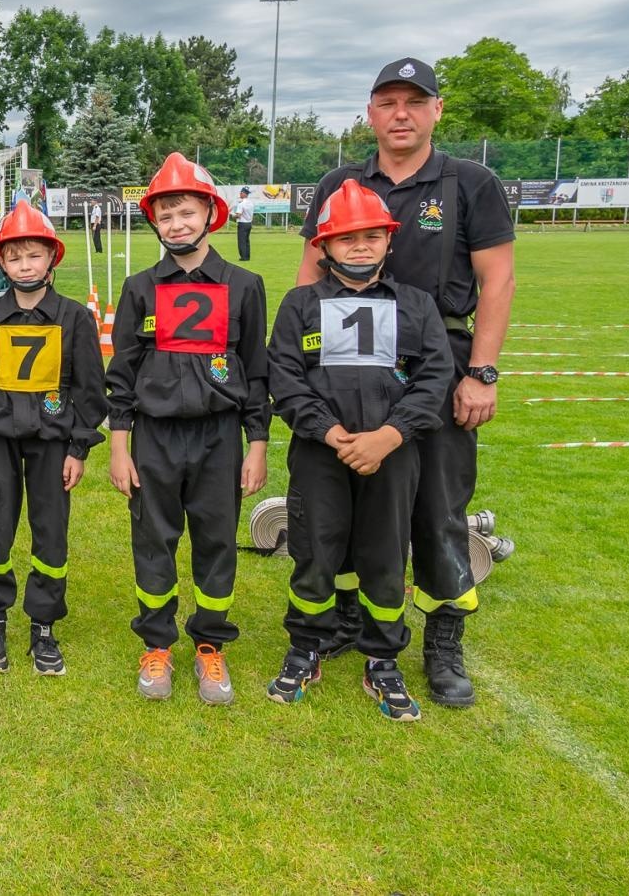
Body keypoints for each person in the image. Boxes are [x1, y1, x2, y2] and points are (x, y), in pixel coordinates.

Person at [295, 57, 515, 708]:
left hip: (439, 361)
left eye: (414, 102)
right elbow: (310, 277)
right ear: (369, 113)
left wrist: (480, 371)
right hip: (346, 356)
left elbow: (497, 281)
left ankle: (444, 641)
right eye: (387, 102)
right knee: (347, 496)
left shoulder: (471, 183)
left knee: (437, 507)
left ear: (436, 112)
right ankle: (345, 622)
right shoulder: (339, 181)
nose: (400, 113)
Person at [267, 181, 454, 721]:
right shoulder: (300, 304)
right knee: (315, 551)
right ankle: (307, 645)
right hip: (319, 453)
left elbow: (434, 377)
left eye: (372, 235)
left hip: (392, 455)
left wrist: (389, 436)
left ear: (389, 241)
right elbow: (284, 375)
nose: (361, 246)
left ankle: (382, 657)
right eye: (347, 238)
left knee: (385, 555)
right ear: (323, 245)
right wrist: (328, 431)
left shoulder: (414, 305)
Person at [105, 152, 270, 705]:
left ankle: (209, 646)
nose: (177, 223)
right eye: (166, 215)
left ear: (211, 213)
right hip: (153, 438)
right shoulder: (138, 288)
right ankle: (156, 644)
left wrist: (258, 446)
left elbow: (257, 374)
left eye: (186, 212)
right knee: (153, 539)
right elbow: (121, 376)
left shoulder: (245, 285)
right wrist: (119, 449)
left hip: (220, 437)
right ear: (154, 222)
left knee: (216, 540)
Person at [0, 202, 106, 675]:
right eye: (15, 256)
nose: (25, 265)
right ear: (0, 262)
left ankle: (43, 624)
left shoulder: (75, 318)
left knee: (50, 533)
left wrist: (79, 446)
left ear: (52, 258)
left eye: (34, 255)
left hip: (52, 443)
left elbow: (89, 389)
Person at [232, 187, 255, 261]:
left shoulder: (241, 204)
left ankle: (243, 257)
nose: (240, 194)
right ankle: (247, 256)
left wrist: (233, 216)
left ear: (244, 194)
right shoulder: (251, 203)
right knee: (247, 241)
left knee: (241, 241)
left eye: (241, 193)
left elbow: (238, 215)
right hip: (249, 223)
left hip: (242, 223)